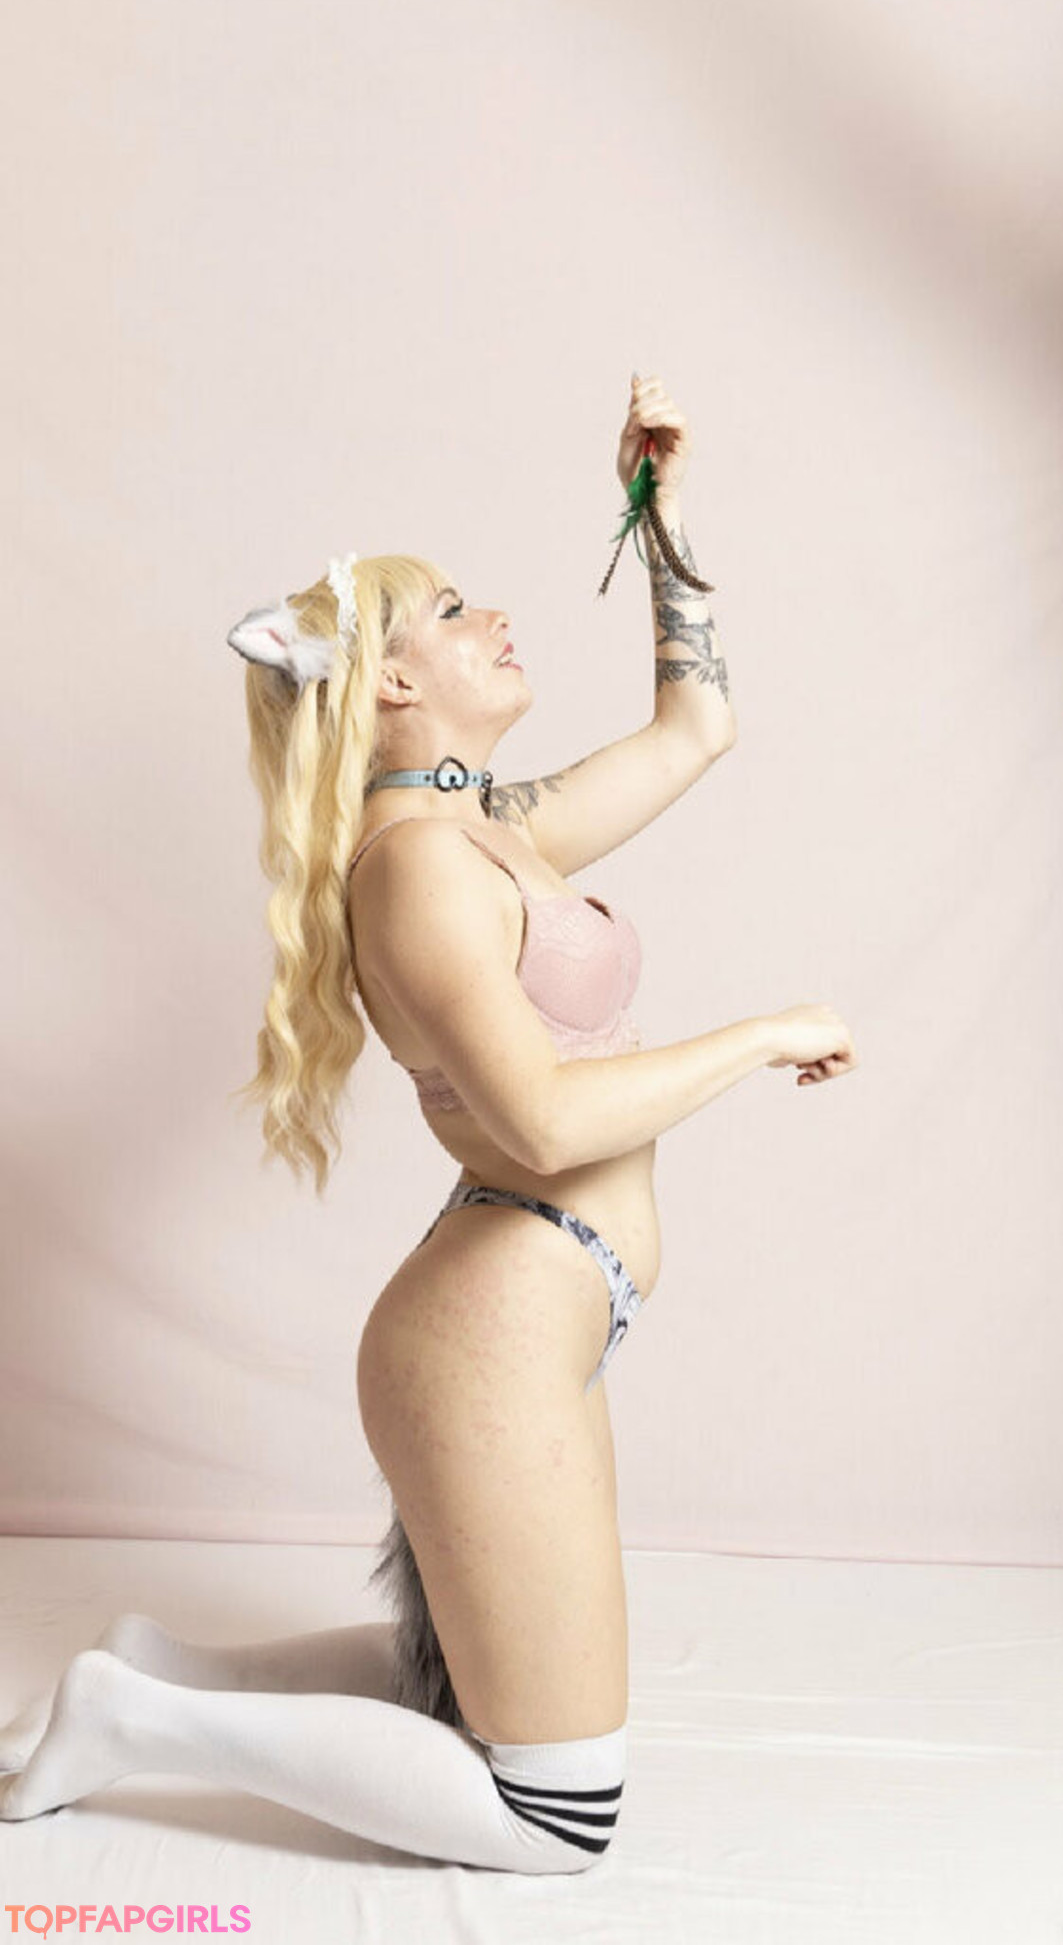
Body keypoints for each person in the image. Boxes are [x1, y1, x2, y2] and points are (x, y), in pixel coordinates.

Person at [0, 382, 858, 1870]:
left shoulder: (487, 830)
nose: (497, 617)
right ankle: (133, 1726)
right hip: (488, 1329)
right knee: (556, 1810)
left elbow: (697, 726)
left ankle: (159, 1671)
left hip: (541, 1305)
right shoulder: (415, 869)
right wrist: (762, 1035)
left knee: (465, 1692)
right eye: (454, 610)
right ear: (390, 680)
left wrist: (656, 521)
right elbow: (540, 1121)